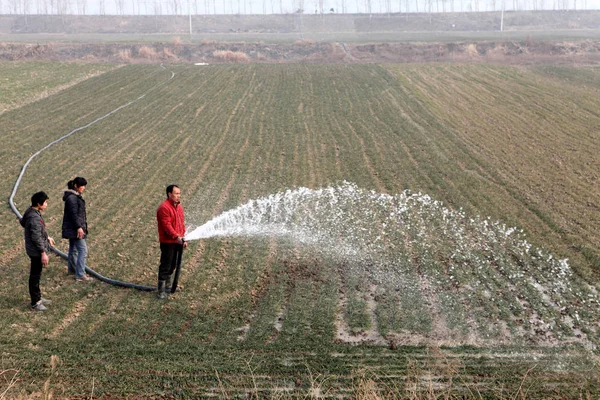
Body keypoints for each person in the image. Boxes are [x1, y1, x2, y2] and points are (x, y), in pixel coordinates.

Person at [20, 191, 55, 311]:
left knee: (37, 275)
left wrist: (47, 237)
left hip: (34, 250)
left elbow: (37, 231)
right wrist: (43, 253)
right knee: (35, 276)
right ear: (39, 204)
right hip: (36, 252)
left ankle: (38, 297)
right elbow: (35, 237)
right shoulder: (34, 217)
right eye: (45, 202)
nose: (46, 205)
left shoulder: (31, 211)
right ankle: (35, 302)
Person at [156, 184, 187, 299]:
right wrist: (176, 237)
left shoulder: (179, 207)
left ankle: (169, 286)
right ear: (170, 194)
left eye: (179, 193)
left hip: (177, 241)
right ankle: (161, 291)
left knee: (173, 264)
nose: (179, 196)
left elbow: (181, 224)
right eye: (176, 193)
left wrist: (183, 238)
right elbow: (167, 226)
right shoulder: (164, 208)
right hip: (168, 242)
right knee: (166, 264)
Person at [62, 177, 90, 281]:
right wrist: (79, 227)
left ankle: (72, 269)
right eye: (82, 186)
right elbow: (74, 214)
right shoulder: (72, 199)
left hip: (71, 228)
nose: (84, 188)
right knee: (83, 250)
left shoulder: (72, 197)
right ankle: (80, 274)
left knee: (73, 249)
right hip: (75, 228)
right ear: (76, 186)